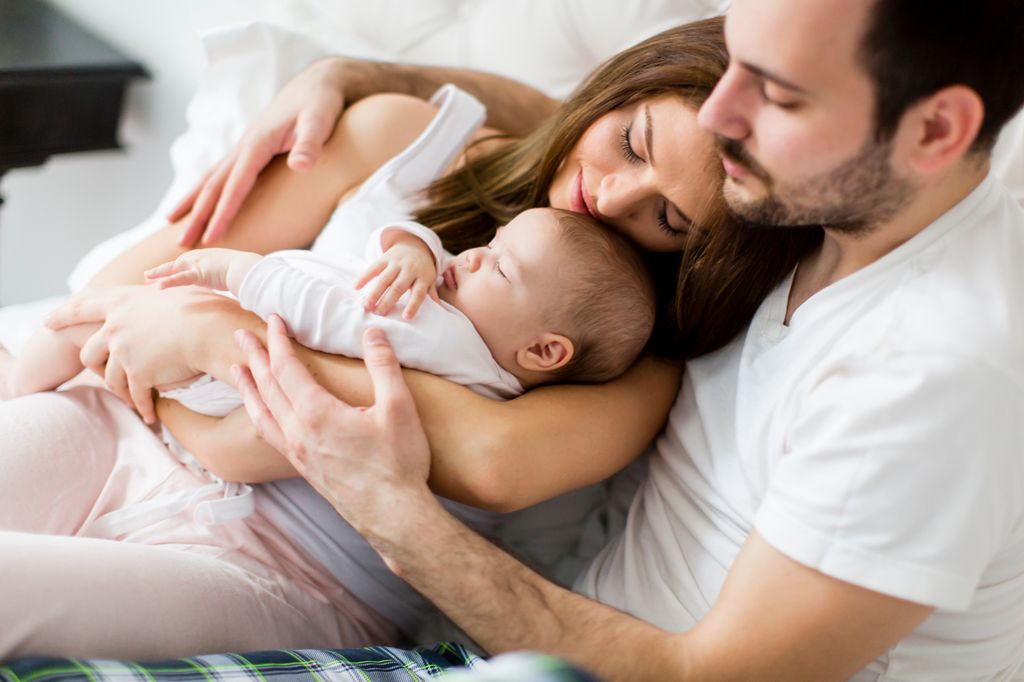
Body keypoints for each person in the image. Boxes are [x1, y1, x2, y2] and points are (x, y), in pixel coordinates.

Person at [182, 0, 1024, 679]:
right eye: (733, 57)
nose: (721, 115)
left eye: (777, 93)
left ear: (935, 132)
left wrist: (389, 506)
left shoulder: (931, 375)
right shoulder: (806, 199)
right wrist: (362, 74)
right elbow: (587, 129)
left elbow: (707, 677)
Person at [0, 18, 814, 659]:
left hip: (283, 575)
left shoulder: (635, 363)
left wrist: (225, 337)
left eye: (669, 218)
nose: (609, 196)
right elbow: (146, 276)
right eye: (630, 143)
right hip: (121, 427)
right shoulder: (405, 138)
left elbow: (495, 461)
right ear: (613, 92)